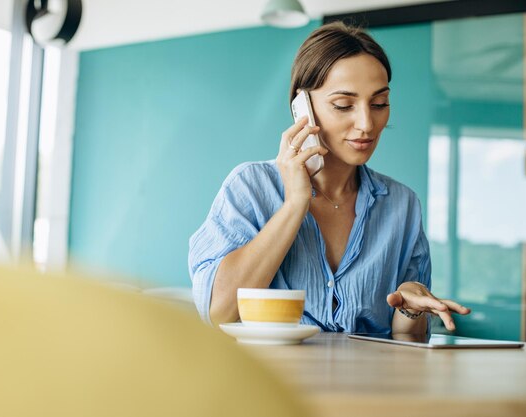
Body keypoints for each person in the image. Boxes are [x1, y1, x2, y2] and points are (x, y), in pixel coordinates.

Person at [188, 22, 470, 333]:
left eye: (379, 104)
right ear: (302, 107)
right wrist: (295, 204)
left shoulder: (403, 206)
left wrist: (410, 311)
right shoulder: (251, 187)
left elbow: (407, 344)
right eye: (343, 105)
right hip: (271, 381)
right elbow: (219, 312)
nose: (366, 124)